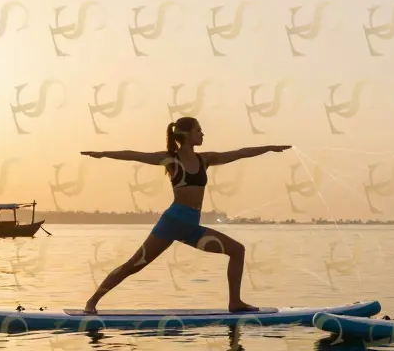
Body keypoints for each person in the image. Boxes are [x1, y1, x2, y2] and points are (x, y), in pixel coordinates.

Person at [79, 116, 290, 315]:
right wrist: (104, 153)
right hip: (172, 222)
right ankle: (92, 302)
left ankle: (235, 302)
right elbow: (134, 154)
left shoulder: (205, 159)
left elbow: (239, 153)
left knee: (237, 251)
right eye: (198, 130)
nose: (202, 133)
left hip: (191, 227)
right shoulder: (170, 160)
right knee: (134, 265)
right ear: (187, 135)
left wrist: (268, 148)